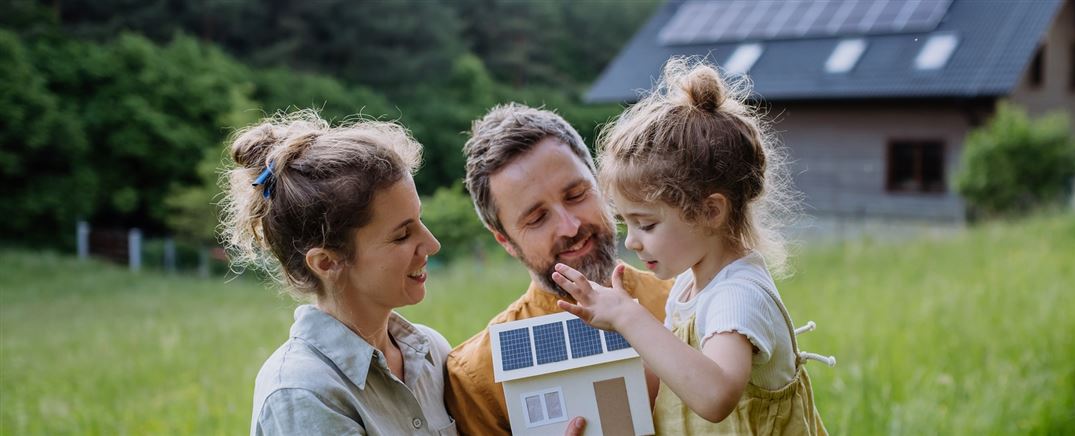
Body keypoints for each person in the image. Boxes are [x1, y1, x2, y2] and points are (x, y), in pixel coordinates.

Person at [223, 111, 591, 436]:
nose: (431, 245)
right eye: (402, 234)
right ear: (326, 263)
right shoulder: (302, 393)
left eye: (420, 221)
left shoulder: (431, 352)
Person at [552, 58, 831, 435]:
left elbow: (714, 397)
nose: (631, 241)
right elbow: (672, 380)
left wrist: (629, 317)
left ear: (710, 211)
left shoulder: (737, 297)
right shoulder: (690, 284)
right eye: (627, 223)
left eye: (646, 224)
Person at [445, 104, 673, 435]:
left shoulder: (689, 300)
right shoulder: (478, 375)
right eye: (537, 219)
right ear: (506, 241)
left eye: (577, 195)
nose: (570, 226)